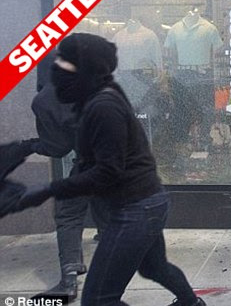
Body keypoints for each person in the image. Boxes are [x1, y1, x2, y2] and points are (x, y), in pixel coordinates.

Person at [2, 33, 205, 306]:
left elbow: (108, 172)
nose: (58, 69)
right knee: (155, 268)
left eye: (67, 64)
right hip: (147, 202)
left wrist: (45, 189)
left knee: (99, 299)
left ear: (87, 69)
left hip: (134, 210)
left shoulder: (102, 106)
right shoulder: (98, 97)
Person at [0, 62, 107, 303]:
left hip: (92, 162)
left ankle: (69, 279)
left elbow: (58, 148)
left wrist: (29, 145)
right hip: (127, 159)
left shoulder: (45, 99)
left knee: (68, 214)